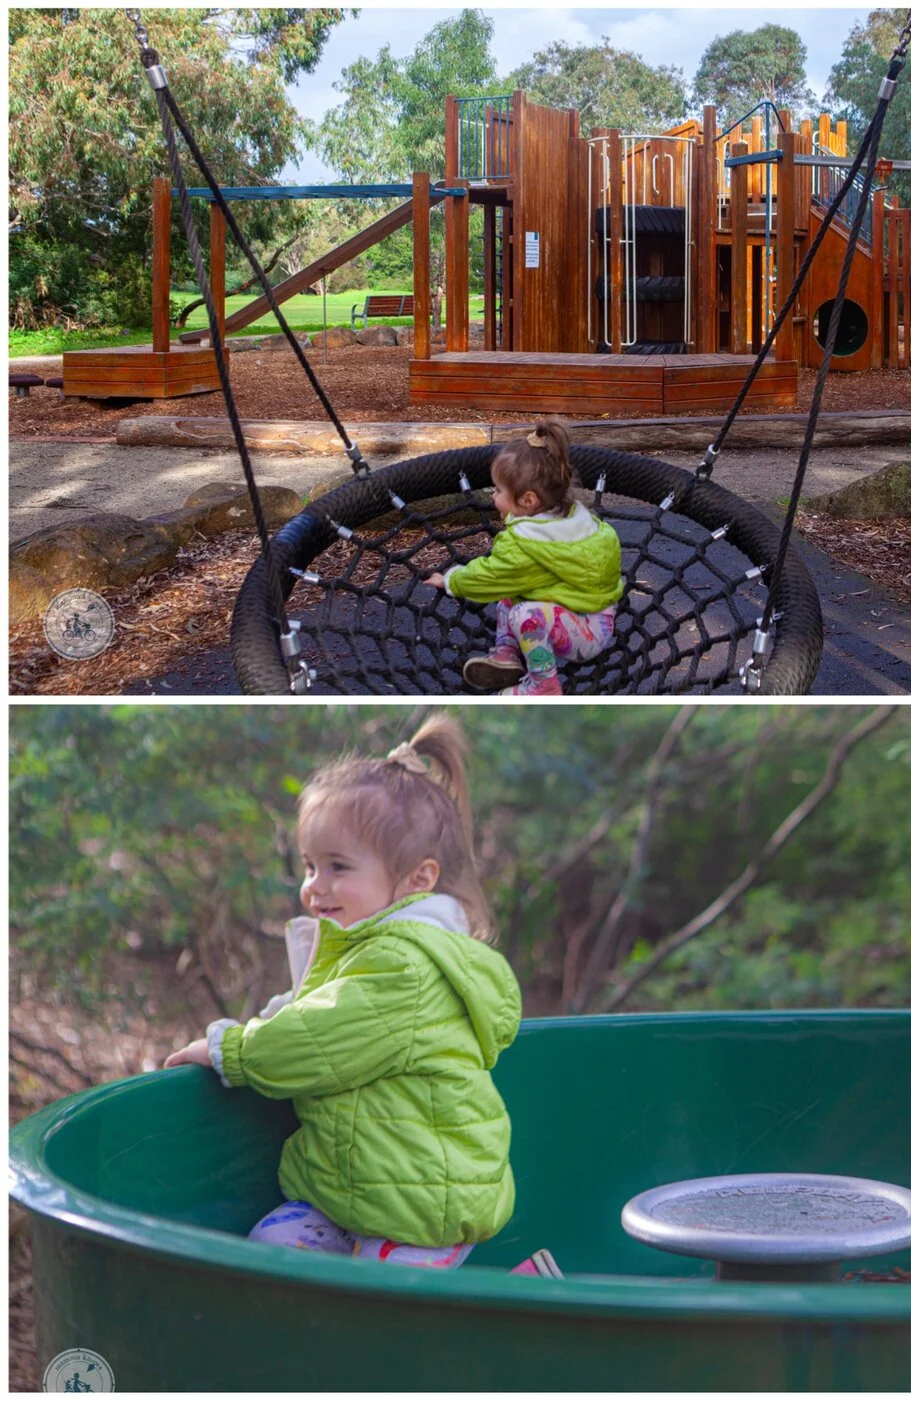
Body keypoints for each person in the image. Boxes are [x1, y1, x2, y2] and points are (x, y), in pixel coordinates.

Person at [164, 715, 559, 1278]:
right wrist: (272, 1017)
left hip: (422, 1205)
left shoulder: (405, 965)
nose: (314, 886)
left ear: (417, 880)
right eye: (310, 866)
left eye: (338, 868)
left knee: (381, 1300)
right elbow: (315, 1011)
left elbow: (315, 1040)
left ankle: (515, 1302)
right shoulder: (365, 950)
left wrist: (233, 1049)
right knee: (272, 1248)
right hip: (355, 1192)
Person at [420, 419, 623, 696]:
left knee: (524, 612)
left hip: (587, 632)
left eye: (499, 490)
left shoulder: (529, 545)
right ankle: (507, 654)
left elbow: (489, 575)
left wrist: (452, 580)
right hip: (579, 609)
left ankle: (544, 685)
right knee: (511, 593)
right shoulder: (569, 516)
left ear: (528, 500)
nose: (494, 495)